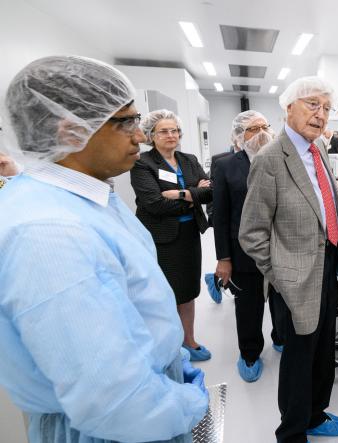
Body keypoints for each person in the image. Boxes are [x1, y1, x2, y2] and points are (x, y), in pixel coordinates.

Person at [0, 55, 208, 443]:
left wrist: (172, 360)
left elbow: (132, 306)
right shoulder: (48, 232)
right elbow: (113, 400)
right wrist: (187, 403)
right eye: (126, 121)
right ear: (71, 131)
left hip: (146, 402)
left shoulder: (85, 199)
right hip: (121, 429)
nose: (140, 135)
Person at [239, 76, 338, 443]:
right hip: (294, 277)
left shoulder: (317, 149)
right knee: (299, 356)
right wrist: (280, 277)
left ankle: (316, 414)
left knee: (322, 348)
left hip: (327, 267)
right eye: (312, 105)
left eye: (326, 108)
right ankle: (291, 431)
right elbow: (251, 233)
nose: (321, 115)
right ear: (288, 108)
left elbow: (326, 200)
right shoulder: (270, 160)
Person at [130, 109, 213, 361]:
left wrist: (178, 194)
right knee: (165, 293)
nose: (170, 135)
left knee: (187, 291)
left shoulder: (189, 159)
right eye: (163, 131)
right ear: (151, 135)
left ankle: (188, 340)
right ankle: (169, 346)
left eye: (174, 130)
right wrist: (193, 195)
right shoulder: (142, 164)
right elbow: (154, 204)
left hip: (189, 234)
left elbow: (210, 192)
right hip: (161, 239)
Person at [212, 110, 282, 382]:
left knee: (280, 299)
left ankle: (281, 337)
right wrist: (224, 258)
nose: (262, 133)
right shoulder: (227, 165)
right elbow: (220, 215)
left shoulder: (280, 159)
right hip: (243, 252)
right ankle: (250, 354)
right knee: (249, 306)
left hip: (278, 248)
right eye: (254, 129)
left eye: (265, 126)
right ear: (240, 136)